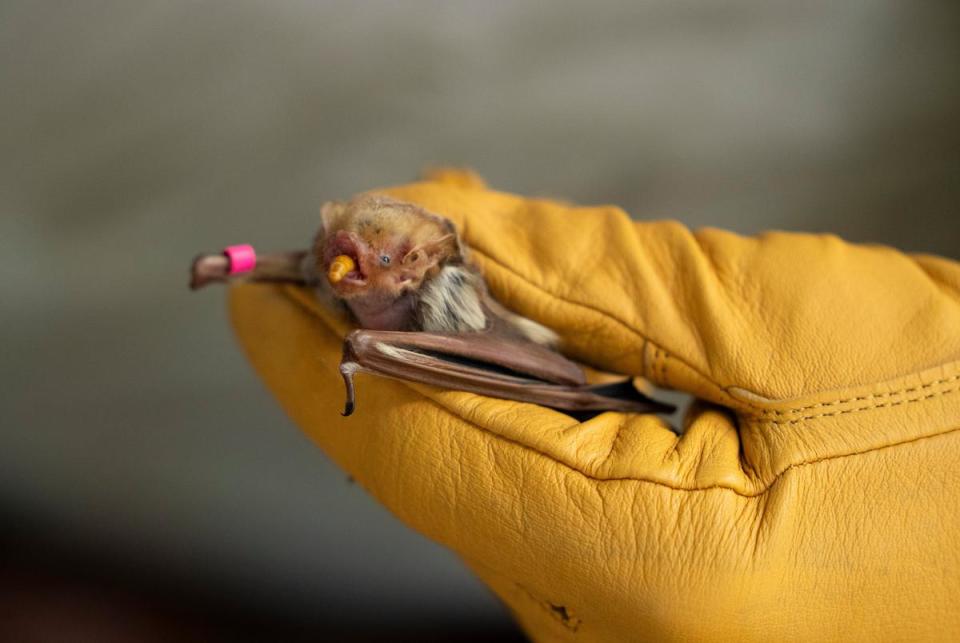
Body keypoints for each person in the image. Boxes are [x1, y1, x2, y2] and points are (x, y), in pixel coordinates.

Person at [230, 169, 960, 641]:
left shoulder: (433, 291)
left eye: (383, 260)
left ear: (416, 263)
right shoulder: (340, 266)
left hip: (523, 371)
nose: (351, 266)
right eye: (346, 252)